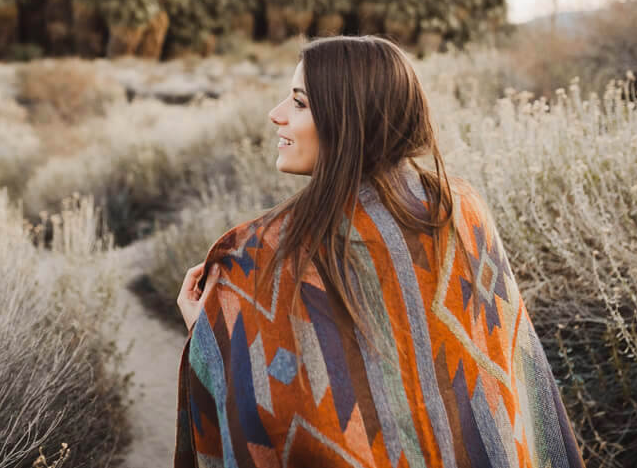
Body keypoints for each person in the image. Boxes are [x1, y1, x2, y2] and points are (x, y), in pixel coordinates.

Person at [174, 35, 585, 468]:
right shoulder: (461, 209)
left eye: (299, 103)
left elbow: (264, 421)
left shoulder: (257, 256)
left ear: (347, 119)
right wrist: (218, 331)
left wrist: (211, 334)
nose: (275, 115)